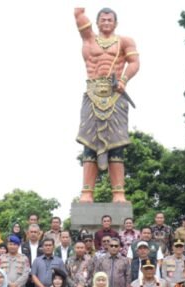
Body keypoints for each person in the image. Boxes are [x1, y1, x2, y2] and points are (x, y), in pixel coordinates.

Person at [74, 7, 140, 203]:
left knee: (117, 145)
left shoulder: (125, 41)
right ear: (97, 22)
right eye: (103, 20)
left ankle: (118, 192)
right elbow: (80, 21)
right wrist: (77, 12)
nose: (106, 23)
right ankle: (87, 192)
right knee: (89, 143)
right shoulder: (89, 40)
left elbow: (135, 62)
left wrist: (124, 79)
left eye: (110, 20)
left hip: (115, 96)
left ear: (115, 23)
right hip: (92, 94)